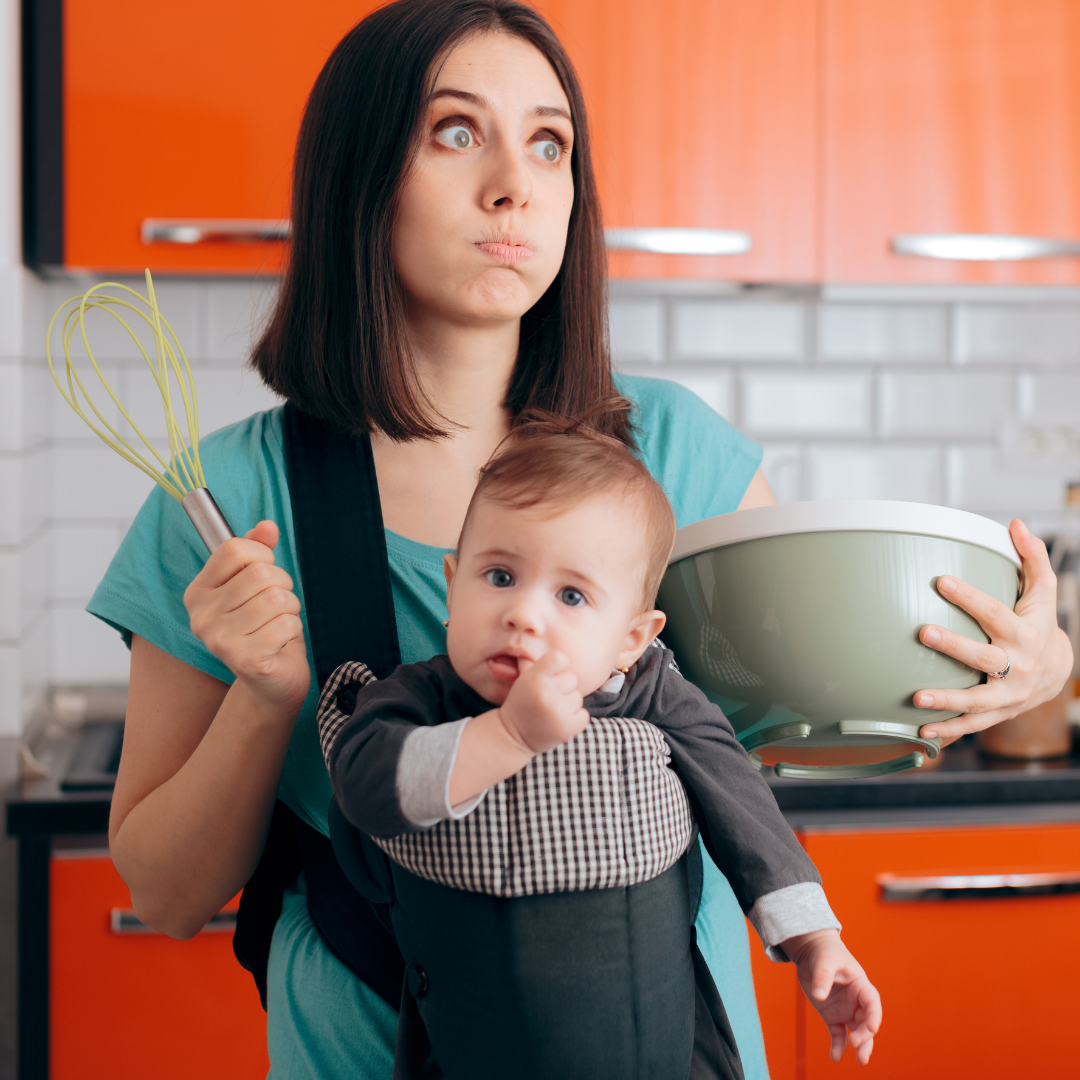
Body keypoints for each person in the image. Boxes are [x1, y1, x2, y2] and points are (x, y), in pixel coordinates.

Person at [94, 2, 1072, 1078]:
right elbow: (168, 895)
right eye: (457, 131)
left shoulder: (679, 458)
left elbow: (788, 730)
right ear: (357, 171)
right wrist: (266, 696)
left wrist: (1024, 667)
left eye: (549, 142)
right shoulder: (230, 501)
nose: (515, 182)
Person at [319, 410, 880, 1079]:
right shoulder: (417, 698)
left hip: (660, 1044)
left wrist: (815, 937)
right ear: (451, 583)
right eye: (498, 576)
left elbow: (741, 804)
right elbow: (366, 786)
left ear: (632, 640)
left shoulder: (651, 694)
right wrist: (505, 737)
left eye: (572, 595)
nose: (524, 613)